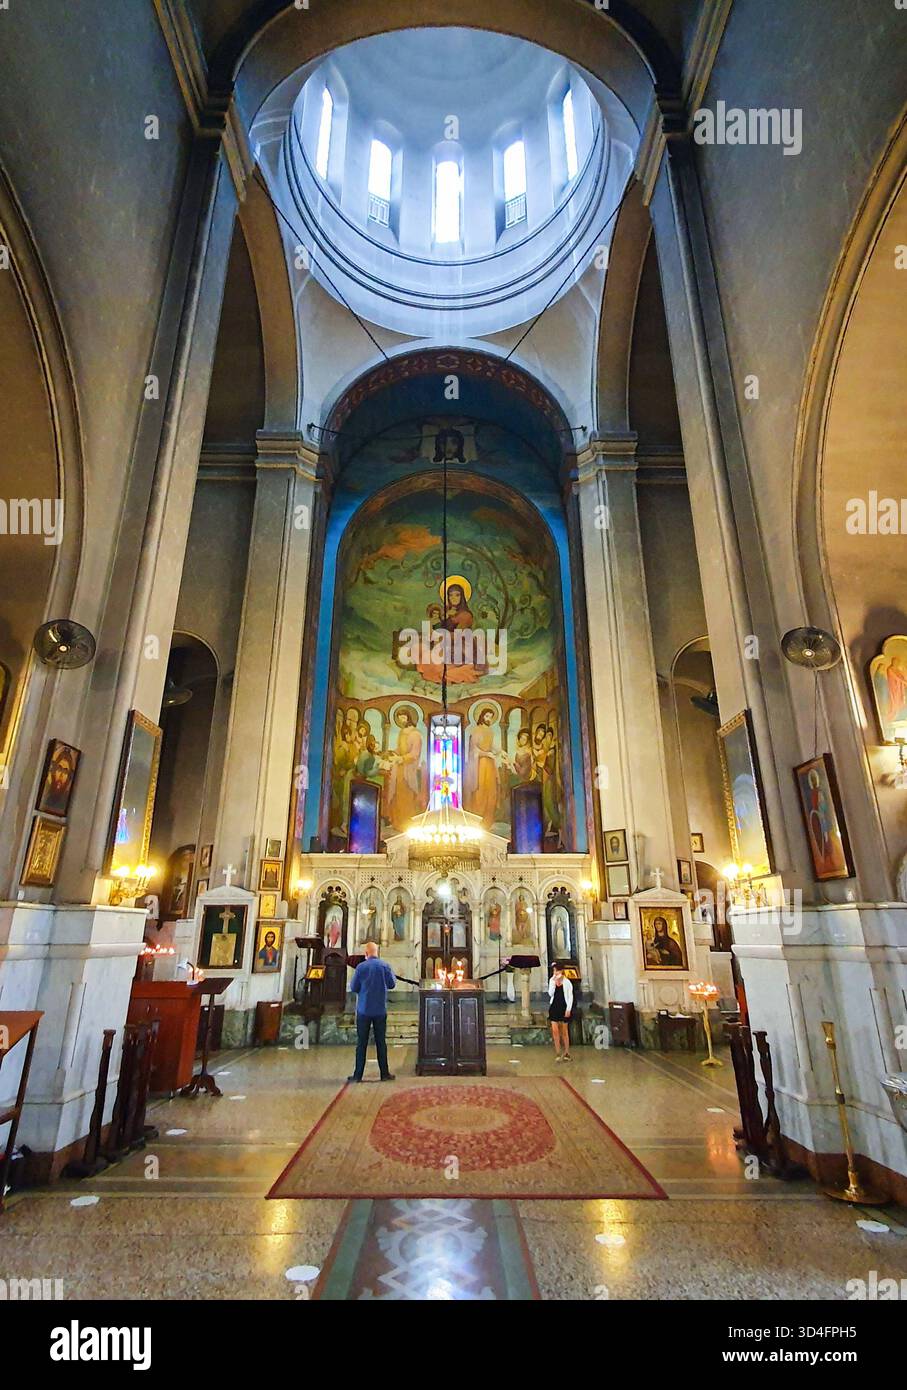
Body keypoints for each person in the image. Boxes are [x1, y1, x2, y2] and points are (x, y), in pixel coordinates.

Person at [348, 941, 397, 1082]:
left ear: (366, 954)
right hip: (380, 1010)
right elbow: (392, 984)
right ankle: (384, 1074)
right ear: (377, 952)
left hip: (364, 1010)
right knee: (381, 1042)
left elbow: (354, 987)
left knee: (361, 1043)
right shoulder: (385, 966)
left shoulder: (361, 967)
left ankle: (358, 1075)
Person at [548, 965, 573, 1061]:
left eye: (557, 971)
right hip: (554, 1007)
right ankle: (558, 1052)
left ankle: (567, 1052)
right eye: (554, 971)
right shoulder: (552, 980)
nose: (555, 973)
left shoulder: (567, 982)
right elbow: (550, 993)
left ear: (561, 971)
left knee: (564, 1031)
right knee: (555, 1031)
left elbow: (570, 996)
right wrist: (554, 983)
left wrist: (568, 1009)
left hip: (564, 1007)